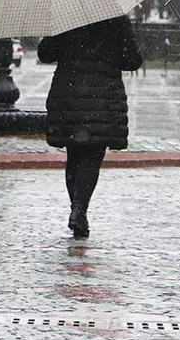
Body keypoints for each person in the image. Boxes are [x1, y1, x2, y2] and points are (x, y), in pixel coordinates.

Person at [38, 16, 142, 239]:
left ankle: (77, 208)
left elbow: (45, 54)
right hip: (102, 97)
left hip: (69, 94)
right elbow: (132, 60)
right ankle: (79, 209)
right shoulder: (116, 19)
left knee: (74, 154)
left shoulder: (65, 16)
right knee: (92, 156)